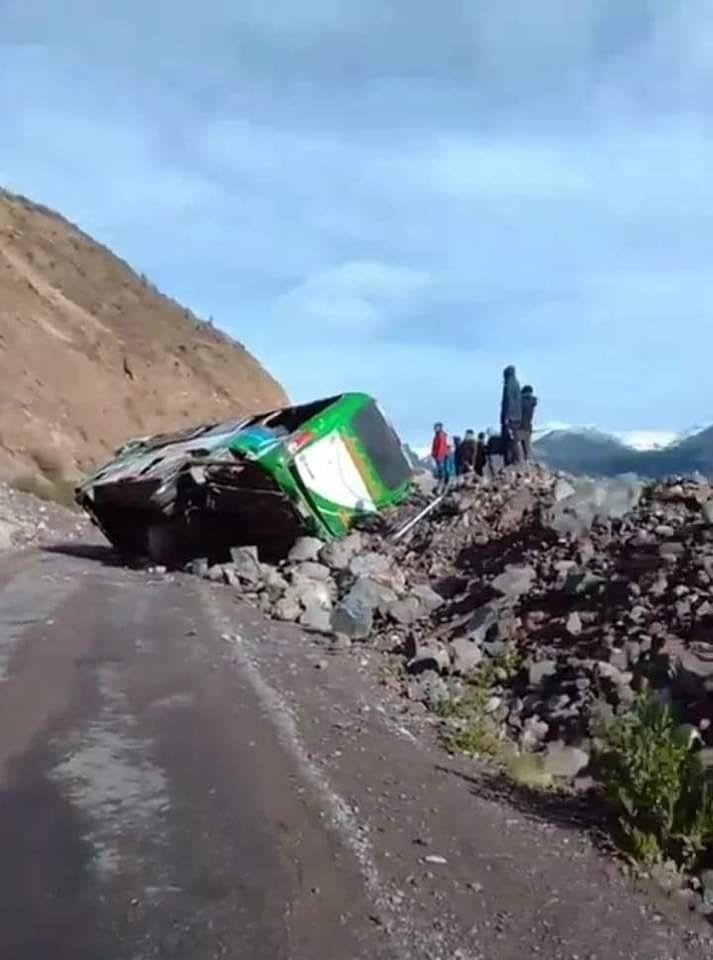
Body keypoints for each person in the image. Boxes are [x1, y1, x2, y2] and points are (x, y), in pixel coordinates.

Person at [500, 365, 522, 466]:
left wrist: (506, 417)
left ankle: (513, 461)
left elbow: (508, 401)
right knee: (514, 438)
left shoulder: (508, 385)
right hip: (517, 416)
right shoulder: (517, 384)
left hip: (510, 417)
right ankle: (515, 459)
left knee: (510, 440)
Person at [520, 385, 538, 461]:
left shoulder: (520, 401)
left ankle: (520, 463)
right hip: (528, 427)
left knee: (518, 447)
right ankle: (528, 461)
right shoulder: (532, 402)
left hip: (519, 426)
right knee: (527, 447)